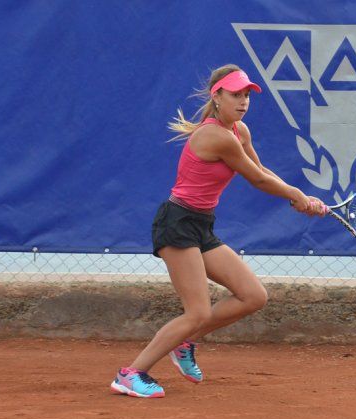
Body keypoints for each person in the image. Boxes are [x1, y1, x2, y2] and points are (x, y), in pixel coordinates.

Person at [110, 65, 327, 398]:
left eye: (246, 96)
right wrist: (296, 196)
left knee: (253, 296)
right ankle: (131, 373)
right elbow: (256, 180)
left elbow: (260, 170)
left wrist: (301, 196)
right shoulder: (215, 136)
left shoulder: (239, 131)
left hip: (201, 224)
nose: (242, 102)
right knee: (197, 311)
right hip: (178, 223)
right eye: (235, 95)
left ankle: (184, 342)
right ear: (217, 96)